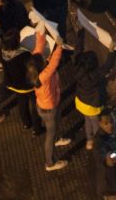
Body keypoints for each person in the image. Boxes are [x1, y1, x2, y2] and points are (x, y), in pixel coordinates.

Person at [30, 24, 73, 172]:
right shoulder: (43, 76)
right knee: (50, 134)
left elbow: (38, 48)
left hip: (44, 106)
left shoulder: (33, 68)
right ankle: (49, 163)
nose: (44, 57)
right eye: (43, 59)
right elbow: (53, 63)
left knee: (53, 126)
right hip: (49, 108)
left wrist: (40, 32)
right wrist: (59, 47)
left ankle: (57, 139)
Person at [76, 39, 116, 149]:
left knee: (87, 121)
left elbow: (77, 53)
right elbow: (108, 66)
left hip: (81, 103)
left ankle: (89, 140)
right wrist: (112, 51)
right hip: (92, 107)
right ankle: (98, 143)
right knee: (96, 125)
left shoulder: (78, 70)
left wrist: (80, 34)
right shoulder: (96, 75)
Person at [93, 108, 116, 200]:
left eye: (111, 121)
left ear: (115, 119)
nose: (110, 125)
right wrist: (107, 160)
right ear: (100, 124)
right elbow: (99, 156)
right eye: (106, 123)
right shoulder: (99, 141)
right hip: (111, 188)